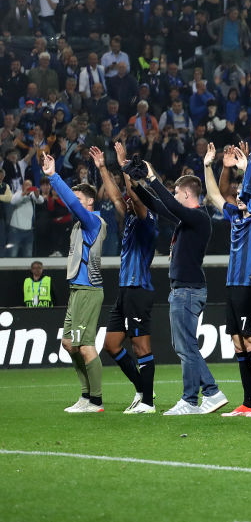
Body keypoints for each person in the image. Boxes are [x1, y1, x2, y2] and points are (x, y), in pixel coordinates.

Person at [138, 159, 228, 415]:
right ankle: (209, 393)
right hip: (184, 290)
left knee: (186, 347)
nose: (174, 197)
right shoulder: (187, 220)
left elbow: (165, 202)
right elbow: (156, 203)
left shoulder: (199, 217)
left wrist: (152, 177)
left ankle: (193, 399)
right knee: (185, 346)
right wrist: (136, 185)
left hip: (187, 291)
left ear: (187, 193)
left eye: (177, 193)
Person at [205, 143, 251, 418]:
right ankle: (249, 402)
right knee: (238, 343)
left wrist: (249, 169)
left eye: (242, 194)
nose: (238, 197)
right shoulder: (235, 216)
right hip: (233, 285)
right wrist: (211, 165)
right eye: (238, 194)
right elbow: (214, 193)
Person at [90, 144, 158, 414]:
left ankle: (149, 402)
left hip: (139, 289)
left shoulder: (147, 218)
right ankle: (143, 390)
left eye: (133, 198)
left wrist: (125, 167)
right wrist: (103, 168)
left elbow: (133, 197)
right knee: (111, 345)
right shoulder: (130, 217)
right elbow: (119, 198)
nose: (126, 201)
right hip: (125, 291)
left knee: (141, 346)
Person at [44, 152, 107, 414]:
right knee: (69, 344)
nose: (73, 205)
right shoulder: (79, 226)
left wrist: (53, 177)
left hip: (89, 291)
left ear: (89, 202)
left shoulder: (93, 221)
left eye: (79, 200)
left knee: (86, 346)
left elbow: (73, 204)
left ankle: (97, 401)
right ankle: (85, 396)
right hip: (76, 290)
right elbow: (72, 203)